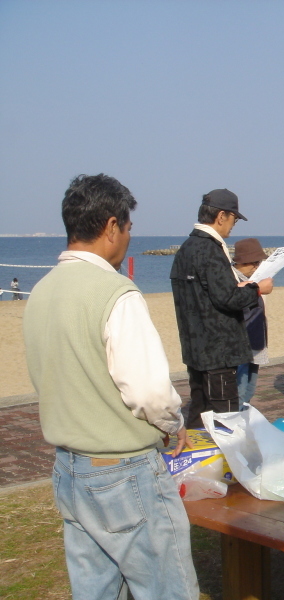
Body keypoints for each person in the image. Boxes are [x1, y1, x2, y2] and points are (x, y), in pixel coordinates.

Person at [22, 174, 199, 599]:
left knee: (96, 589)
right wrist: (172, 424)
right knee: (167, 587)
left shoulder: (41, 291)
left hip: (69, 466)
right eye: (129, 229)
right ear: (111, 227)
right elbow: (149, 392)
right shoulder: (116, 292)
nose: (129, 239)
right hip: (124, 469)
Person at [170, 189, 273, 428]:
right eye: (233, 219)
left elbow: (208, 294)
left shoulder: (186, 248)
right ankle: (223, 464)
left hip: (195, 348)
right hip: (219, 352)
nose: (233, 225)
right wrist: (257, 289)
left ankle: (201, 460)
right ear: (221, 216)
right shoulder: (210, 249)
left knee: (199, 413)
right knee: (224, 420)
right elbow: (227, 298)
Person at [231, 238, 273, 408]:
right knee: (239, 389)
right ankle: (235, 422)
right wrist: (255, 287)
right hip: (240, 344)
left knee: (249, 388)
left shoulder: (255, 278)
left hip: (255, 339)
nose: (257, 267)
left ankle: (243, 414)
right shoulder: (231, 279)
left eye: (259, 262)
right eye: (254, 263)